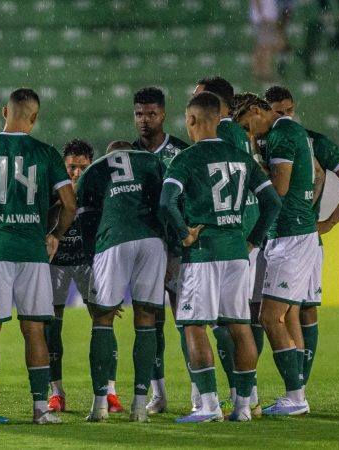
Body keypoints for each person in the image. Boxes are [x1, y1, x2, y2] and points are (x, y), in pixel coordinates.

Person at [0, 88, 75, 425]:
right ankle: (41, 409)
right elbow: (70, 204)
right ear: (33, 117)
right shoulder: (47, 154)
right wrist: (56, 237)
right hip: (33, 253)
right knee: (34, 330)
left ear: (5, 112)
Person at [161, 92, 281, 423]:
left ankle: (208, 404)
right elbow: (272, 202)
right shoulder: (240, 157)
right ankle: (243, 407)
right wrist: (253, 241)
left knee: (195, 325)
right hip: (236, 252)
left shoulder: (185, 160)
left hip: (203, 253)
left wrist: (185, 233)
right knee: (240, 326)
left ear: (192, 120)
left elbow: (166, 203)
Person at [264, 85, 339, 391]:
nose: (286, 116)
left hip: (300, 237)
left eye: (289, 110)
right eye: (278, 112)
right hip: (276, 235)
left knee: (303, 308)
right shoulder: (263, 140)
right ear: (265, 111)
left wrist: (331, 221)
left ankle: (299, 388)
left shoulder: (313, 140)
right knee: (285, 311)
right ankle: (296, 390)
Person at [233, 92, 319, 416]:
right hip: (289, 234)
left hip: (293, 236)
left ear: (257, 110)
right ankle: (296, 394)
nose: (249, 134)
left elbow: (279, 189)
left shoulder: (283, 133)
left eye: (247, 126)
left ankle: (296, 398)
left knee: (270, 317)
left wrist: (249, 170)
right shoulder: (287, 132)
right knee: (279, 314)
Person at [75, 139, 166, 423]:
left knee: (102, 319)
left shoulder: (94, 170)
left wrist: (94, 260)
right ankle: (140, 406)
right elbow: (168, 203)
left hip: (112, 240)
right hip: (152, 240)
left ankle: (99, 406)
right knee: (147, 318)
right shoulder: (152, 162)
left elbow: (86, 221)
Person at [193, 77, 263, 415]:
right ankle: (246, 399)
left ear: (216, 105)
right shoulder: (238, 132)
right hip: (242, 231)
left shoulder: (218, 134)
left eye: (199, 96)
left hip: (222, 232)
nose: (193, 101)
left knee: (207, 323)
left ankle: (214, 398)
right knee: (238, 321)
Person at [130, 86, 191, 415]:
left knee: (186, 320)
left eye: (151, 114)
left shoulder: (180, 153)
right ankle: (159, 394)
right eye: (139, 113)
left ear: (164, 115)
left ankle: (200, 393)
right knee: (150, 322)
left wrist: (175, 246)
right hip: (143, 251)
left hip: (178, 251)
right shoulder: (127, 155)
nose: (144, 120)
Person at [45, 139, 96, 414]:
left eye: (82, 168)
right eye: (71, 168)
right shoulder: (52, 189)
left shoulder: (96, 188)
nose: (76, 173)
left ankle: (107, 391)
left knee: (102, 323)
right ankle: (56, 391)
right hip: (57, 264)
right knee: (52, 327)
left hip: (88, 263)